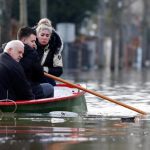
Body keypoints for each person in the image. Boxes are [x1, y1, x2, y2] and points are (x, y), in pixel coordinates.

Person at [17, 26, 54, 98]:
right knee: (49, 87)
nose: (34, 44)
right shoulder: (32, 53)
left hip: (9, 92)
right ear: (23, 40)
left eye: (35, 41)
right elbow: (39, 77)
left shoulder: (5, 50)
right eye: (32, 41)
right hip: (26, 91)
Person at [35, 18, 63, 86]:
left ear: (50, 37)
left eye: (47, 36)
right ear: (37, 35)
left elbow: (59, 71)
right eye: (42, 35)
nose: (44, 38)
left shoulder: (55, 48)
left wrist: (45, 69)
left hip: (46, 79)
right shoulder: (30, 45)